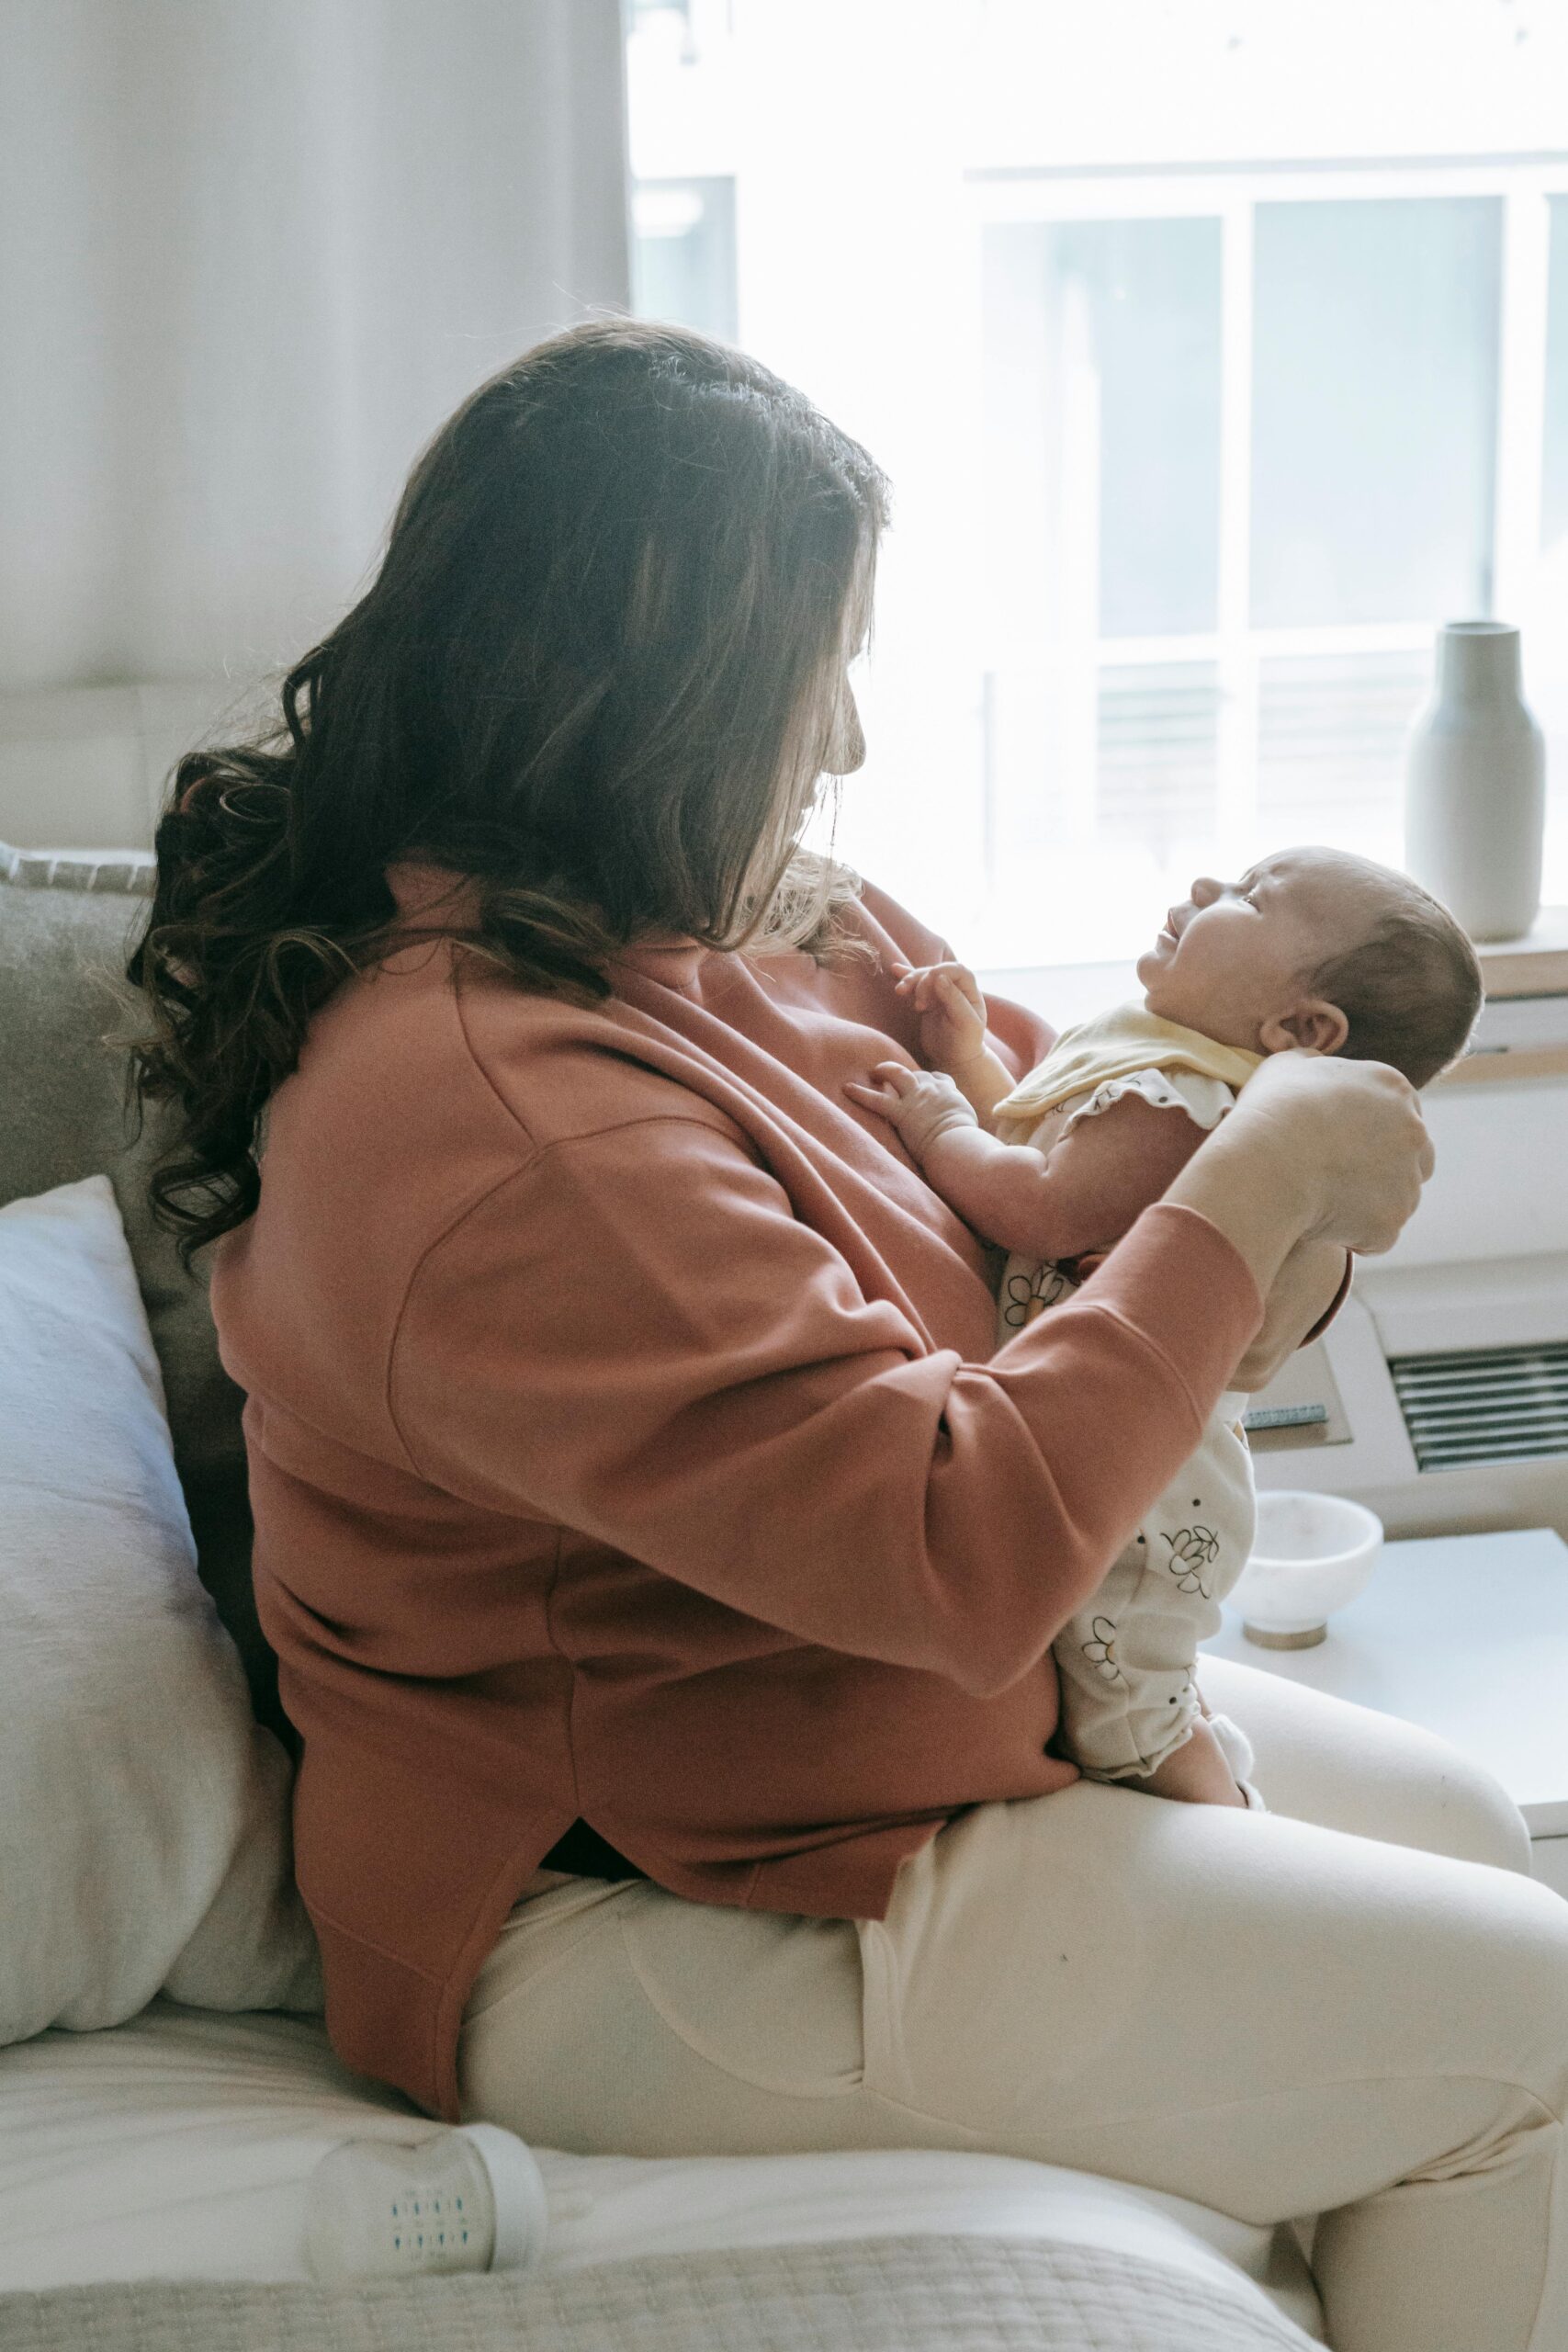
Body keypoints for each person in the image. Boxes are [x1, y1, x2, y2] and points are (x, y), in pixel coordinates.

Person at [126, 318, 1568, 2352]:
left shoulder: (770, 924)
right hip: (651, 1892)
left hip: (873, 1753)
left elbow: (1096, 1236)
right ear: (657, 704)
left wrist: (1269, 1209)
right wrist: (1259, 1189)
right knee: (1535, 2033)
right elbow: (953, 1546)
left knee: (1475, 1834)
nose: (852, 745)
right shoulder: (489, 1114)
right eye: (824, 673)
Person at [846, 847, 1482, 1812]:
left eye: (1250, 899)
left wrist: (938, 1125)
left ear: (1302, 1029)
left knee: (1132, 1709)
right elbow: (1033, 1135)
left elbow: (1039, 1206)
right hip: (1115, 1442)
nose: (1201, 891)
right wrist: (969, 1058)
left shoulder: (1194, 1111)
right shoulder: (1156, 1066)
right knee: (1129, 1675)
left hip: (1155, 1481)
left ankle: (1224, 1817)